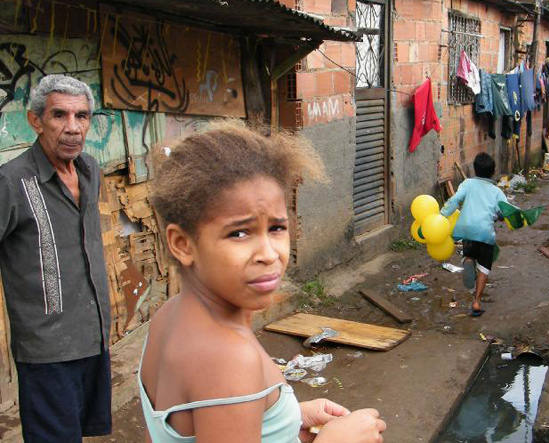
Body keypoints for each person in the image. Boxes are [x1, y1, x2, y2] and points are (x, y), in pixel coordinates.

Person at [140, 120, 387, 442]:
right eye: (239, 233)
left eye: (276, 228)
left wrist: (283, 418)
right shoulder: (229, 359)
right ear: (182, 244)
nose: (269, 254)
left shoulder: (169, 317)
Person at [0, 75, 111, 441]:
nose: (72, 127)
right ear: (36, 121)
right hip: (46, 350)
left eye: (82, 116)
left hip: (93, 335)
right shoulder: (11, 182)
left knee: (79, 431)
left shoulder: (90, 170)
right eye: (59, 115)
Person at [440, 153, 508, 317]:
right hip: (485, 233)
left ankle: (468, 261)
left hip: (466, 230)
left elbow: (455, 200)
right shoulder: (497, 192)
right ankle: (476, 301)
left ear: (475, 169)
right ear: (493, 171)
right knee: (484, 268)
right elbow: (504, 212)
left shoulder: (467, 184)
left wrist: (441, 216)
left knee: (470, 254)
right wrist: (500, 216)